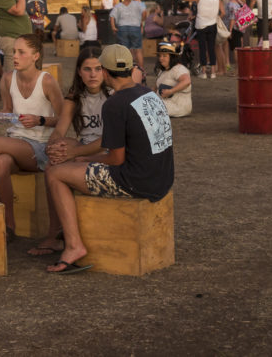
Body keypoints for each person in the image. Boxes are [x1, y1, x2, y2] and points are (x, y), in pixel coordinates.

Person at [44, 44, 174, 274]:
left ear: (104, 71)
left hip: (136, 181)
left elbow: (115, 159)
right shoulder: (149, 94)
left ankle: (73, 246)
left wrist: (83, 161)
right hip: (162, 178)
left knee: (55, 174)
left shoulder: (115, 104)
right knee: (69, 166)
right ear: (131, 68)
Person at [27, 46, 110, 257]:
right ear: (79, 72)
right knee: (52, 162)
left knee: (65, 159)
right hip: (82, 146)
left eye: (98, 69)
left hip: (106, 150)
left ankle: (61, 235)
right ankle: (54, 234)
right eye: (87, 69)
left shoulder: (112, 95)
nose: (93, 75)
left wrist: (75, 153)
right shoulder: (75, 97)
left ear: (105, 70)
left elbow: (110, 139)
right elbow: (60, 130)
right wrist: (55, 146)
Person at [0, 34, 64, 240]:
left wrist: (40, 120)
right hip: (16, 143)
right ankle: (9, 226)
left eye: (21, 52)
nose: (15, 56)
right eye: (14, 51)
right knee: (2, 163)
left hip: (40, 147)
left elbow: (63, 119)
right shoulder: (6, 78)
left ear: (35, 56)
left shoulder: (47, 81)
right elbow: (8, 111)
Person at [110, 0, 147, 71]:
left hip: (122, 28)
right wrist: (141, 21)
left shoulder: (118, 5)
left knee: (125, 51)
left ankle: (127, 70)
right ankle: (141, 71)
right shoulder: (137, 4)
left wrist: (113, 27)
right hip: (135, 27)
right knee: (138, 50)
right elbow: (144, 12)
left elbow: (112, 16)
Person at [155, 42, 192, 117]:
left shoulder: (178, 69)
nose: (161, 58)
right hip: (165, 102)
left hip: (178, 105)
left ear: (172, 57)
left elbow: (186, 81)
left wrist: (171, 91)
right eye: (160, 56)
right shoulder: (163, 71)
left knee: (151, 108)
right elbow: (156, 87)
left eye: (164, 56)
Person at [194, 0, 220, 79]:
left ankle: (204, 72)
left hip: (201, 25)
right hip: (212, 25)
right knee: (211, 48)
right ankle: (213, 72)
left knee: (202, 49)